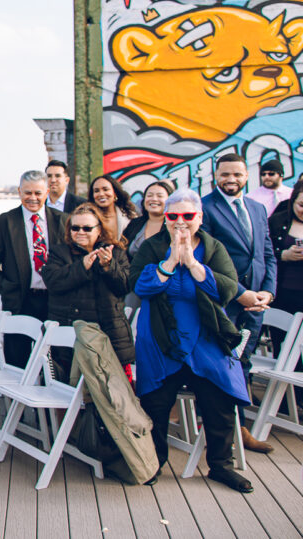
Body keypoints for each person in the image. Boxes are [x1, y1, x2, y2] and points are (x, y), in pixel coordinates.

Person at [130, 188, 253, 492]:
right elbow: (140, 286)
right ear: (166, 218)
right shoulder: (152, 247)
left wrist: (195, 265)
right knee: (154, 404)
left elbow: (226, 289)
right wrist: (171, 260)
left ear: (199, 217)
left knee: (220, 403)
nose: (180, 222)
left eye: (188, 216)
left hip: (205, 339)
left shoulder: (213, 248)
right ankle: (154, 462)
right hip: (162, 340)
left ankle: (221, 466)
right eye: (173, 216)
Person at [201, 153, 278, 454]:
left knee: (244, 363)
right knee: (223, 365)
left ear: (247, 176)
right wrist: (242, 293)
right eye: (225, 174)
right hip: (226, 301)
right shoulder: (205, 209)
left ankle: (240, 427)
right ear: (216, 175)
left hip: (256, 304)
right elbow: (207, 261)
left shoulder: (257, 208)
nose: (231, 179)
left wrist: (267, 293)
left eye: (237, 174)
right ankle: (221, 433)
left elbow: (267, 254)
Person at [42, 203, 132, 383]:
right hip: (72, 336)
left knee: (114, 390)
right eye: (75, 228)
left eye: (87, 228)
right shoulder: (59, 253)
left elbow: (125, 286)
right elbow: (53, 282)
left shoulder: (115, 251)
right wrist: (82, 266)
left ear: (99, 230)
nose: (80, 232)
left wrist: (108, 266)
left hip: (110, 333)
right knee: (72, 390)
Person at [0, 169, 65, 366]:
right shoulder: (5, 222)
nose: (33, 198)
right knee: (16, 362)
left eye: (38, 193)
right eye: (28, 193)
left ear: (46, 193)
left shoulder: (63, 220)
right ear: (19, 192)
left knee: (54, 361)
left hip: (54, 300)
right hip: (19, 299)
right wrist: (6, 287)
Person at [267, 178, 303, 406]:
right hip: (283, 294)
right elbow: (265, 253)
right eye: (301, 205)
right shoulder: (277, 221)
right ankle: (285, 401)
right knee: (282, 347)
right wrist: (284, 255)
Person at [122, 181, 173, 260]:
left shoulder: (174, 226)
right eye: (149, 195)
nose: (154, 199)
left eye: (160, 196)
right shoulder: (134, 224)